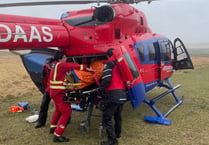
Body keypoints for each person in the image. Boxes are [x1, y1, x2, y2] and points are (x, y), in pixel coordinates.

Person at [49, 51, 90, 142]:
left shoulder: (54, 65)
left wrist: (67, 86)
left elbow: (58, 80)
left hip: (53, 92)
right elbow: (72, 65)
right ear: (60, 59)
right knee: (66, 113)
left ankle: (53, 127)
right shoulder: (61, 65)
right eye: (64, 57)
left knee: (58, 110)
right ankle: (57, 135)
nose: (66, 59)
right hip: (58, 93)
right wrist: (85, 68)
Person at [98, 48, 127, 145]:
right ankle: (117, 134)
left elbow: (106, 79)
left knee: (107, 116)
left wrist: (100, 90)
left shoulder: (109, 63)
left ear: (107, 56)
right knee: (117, 116)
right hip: (122, 93)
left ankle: (112, 140)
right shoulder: (120, 64)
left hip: (113, 93)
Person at [35, 58, 54, 128]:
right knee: (43, 105)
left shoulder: (57, 69)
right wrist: (44, 89)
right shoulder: (45, 70)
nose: (47, 65)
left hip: (56, 89)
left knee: (60, 106)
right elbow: (44, 79)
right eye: (47, 63)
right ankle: (41, 122)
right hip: (48, 89)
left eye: (49, 63)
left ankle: (66, 119)